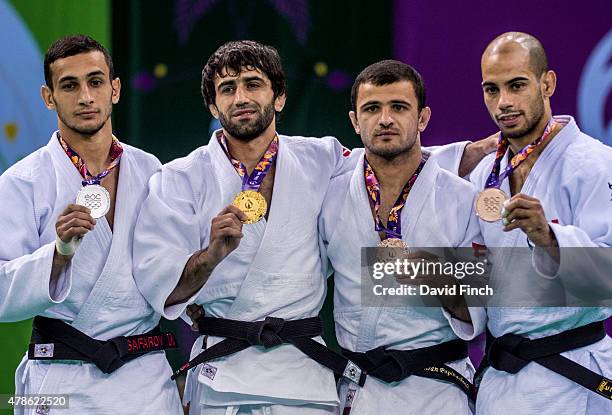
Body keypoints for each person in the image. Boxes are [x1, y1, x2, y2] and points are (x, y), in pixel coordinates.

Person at [133, 40, 493, 415]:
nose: (241, 97)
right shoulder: (179, 178)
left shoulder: (321, 159)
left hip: (308, 377)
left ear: (280, 97)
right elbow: (159, 283)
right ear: (212, 104)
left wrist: (472, 153)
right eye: (228, 88)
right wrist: (210, 257)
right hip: (225, 372)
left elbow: (393, 157)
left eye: (253, 84)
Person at [0, 35, 182, 414]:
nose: (85, 96)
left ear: (114, 89)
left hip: (144, 381)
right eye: (69, 85)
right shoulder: (21, 181)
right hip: (61, 377)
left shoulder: (152, 171)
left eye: (96, 81)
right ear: (49, 97)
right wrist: (58, 255)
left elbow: (170, 266)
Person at [319, 60, 486, 414]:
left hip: (436, 390)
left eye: (398, 107)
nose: (385, 120)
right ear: (354, 121)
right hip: (357, 389)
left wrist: (435, 277)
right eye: (372, 108)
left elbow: (481, 310)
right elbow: (298, 274)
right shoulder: (330, 193)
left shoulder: (460, 197)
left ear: (422, 118)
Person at [469, 32, 612, 414]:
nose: (503, 103)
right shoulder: (484, 175)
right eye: (491, 89)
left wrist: (549, 237)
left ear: (547, 83)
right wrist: (397, 269)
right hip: (501, 382)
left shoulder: (596, 164)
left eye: (516, 85)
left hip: (572, 379)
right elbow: (476, 282)